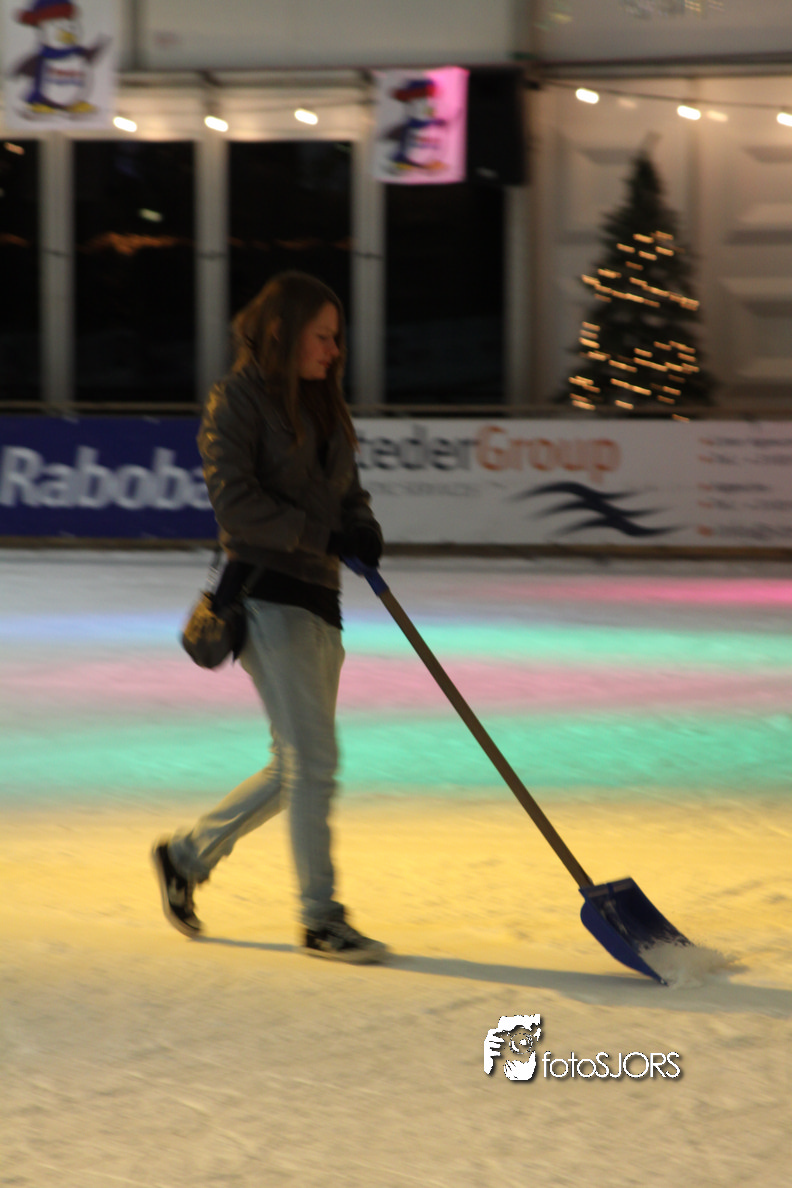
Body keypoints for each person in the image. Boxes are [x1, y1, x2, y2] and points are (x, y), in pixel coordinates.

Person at [152, 271, 388, 964]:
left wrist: (362, 527)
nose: (334, 350)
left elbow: (349, 493)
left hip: (320, 600)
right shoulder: (237, 400)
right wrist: (323, 536)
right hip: (264, 594)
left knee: (295, 765)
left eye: (337, 338)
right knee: (314, 761)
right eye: (323, 336)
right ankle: (321, 918)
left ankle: (186, 856)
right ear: (282, 332)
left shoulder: (323, 404)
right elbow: (236, 505)